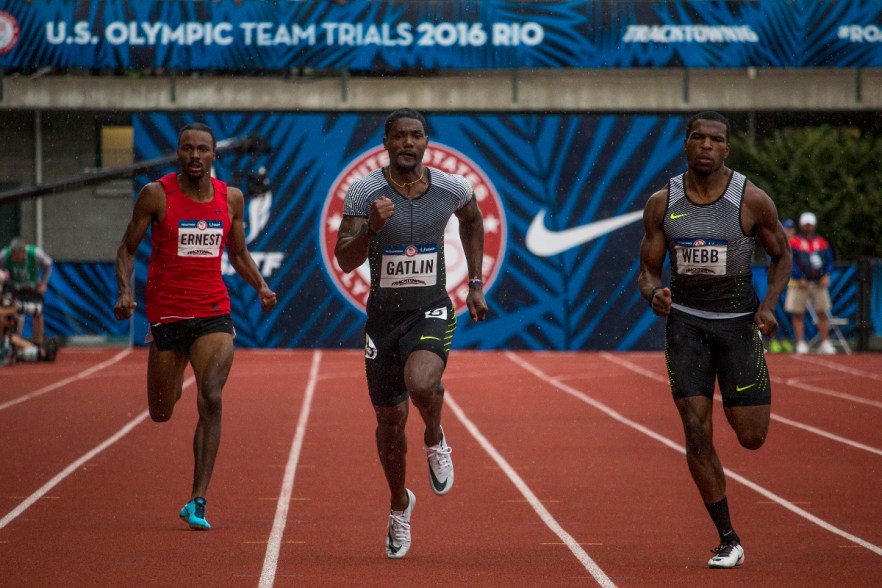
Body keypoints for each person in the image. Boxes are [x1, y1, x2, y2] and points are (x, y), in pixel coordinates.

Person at [637, 111, 791, 569]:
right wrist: (653, 294)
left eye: (716, 139)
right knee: (695, 427)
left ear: (727, 148)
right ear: (685, 143)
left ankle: (734, 394)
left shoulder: (751, 200)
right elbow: (646, 270)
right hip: (685, 325)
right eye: (697, 137)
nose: (706, 145)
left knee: (751, 437)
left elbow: (781, 257)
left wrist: (768, 308)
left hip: (738, 325)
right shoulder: (663, 203)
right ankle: (728, 537)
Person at [334, 108, 488, 559]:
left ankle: (435, 435)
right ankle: (400, 504)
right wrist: (372, 230)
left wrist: (475, 284)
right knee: (388, 422)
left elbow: (473, 220)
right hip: (383, 319)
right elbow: (344, 258)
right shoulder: (365, 192)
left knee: (422, 382)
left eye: (415, 135)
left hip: (431, 308)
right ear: (385, 142)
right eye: (399, 135)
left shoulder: (450, 188)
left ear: (426, 142)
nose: (407, 143)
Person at [113, 122, 277, 530]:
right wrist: (123, 292)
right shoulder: (156, 195)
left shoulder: (231, 199)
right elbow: (127, 249)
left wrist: (260, 285)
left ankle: (198, 499)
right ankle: (172, 383)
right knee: (162, 412)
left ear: (214, 156)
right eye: (188, 149)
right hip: (168, 317)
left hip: (212, 313)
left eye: (203, 149)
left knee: (212, 396)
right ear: (178, 154)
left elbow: (237, 254)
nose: (195, 156)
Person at [784, 211, 836, 354]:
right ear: (801, 225)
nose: (808, 227)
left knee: (822, 312)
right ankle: (800, 342)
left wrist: (826, 274)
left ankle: (825, 342)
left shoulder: (821, 242)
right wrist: (799, 276)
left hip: (818, 283)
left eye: (810, 225)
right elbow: (790, 262)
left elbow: (829, 261)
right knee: (798, 313)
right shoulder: (794, 242)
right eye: (806, 225)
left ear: (814, 225)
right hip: (799, 284)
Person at [0, 236, 53, 345]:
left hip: (32, 287)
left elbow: (49, 264)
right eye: (13, 254)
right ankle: (14, 340)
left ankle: (38, 342)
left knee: (37, 312)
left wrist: (43, 283)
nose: (14, 257)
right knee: (15, 312)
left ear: (23, 251)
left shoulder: (36, 253)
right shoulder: (5, 254)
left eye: (16, 255)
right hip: (14, 287)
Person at [769, 219, 797, 353]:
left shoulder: (797, 244)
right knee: (776, 313)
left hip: (792, 285)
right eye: (787, 228)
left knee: (789, 315)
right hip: (778, 285)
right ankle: (774, 340)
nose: (789, 231)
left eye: (791, 229)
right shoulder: (777, 242)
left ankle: (787, 339)